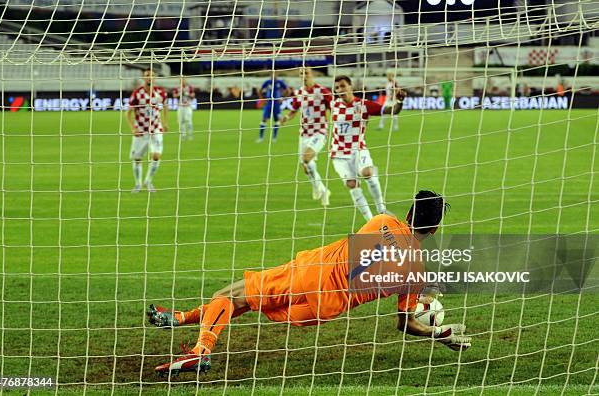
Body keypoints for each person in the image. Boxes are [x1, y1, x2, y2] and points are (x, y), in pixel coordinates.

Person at [147, 190, 471, 376]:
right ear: (435, 230)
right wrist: (437, 333)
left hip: (308, 275)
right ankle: (178, 318)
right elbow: (405, 323)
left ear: (409, 213)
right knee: (249, 301)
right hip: (325, 309)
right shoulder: (416, 271)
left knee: (228, 296)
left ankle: (200, 351)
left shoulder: (382, 221)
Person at [330, 75, 405, 221]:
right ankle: (371, 221)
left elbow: (393, 111)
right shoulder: (333, 104)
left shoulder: (363, 105)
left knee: (367, 172)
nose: (340, 89)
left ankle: (381, 208)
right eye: (337, 87)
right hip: (338, 153)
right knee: (352, 184)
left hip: (358, 148)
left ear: (350, 86)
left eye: (343, 86)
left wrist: (400, 101)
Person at [281, 67, 332, 206]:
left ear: (312, 74)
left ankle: (321, 189)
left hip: (320, 131)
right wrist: (286, 117)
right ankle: (320, 189)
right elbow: (293, 110)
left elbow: (333, 106)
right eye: (301, 73)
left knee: (306, 158)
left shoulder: (322, 91)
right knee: (306, 167)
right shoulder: (298, 93)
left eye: (307, 73)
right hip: (304, 133)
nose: (304, 76)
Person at [127, 69, 169, 193]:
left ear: (154, 78)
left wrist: (165, 122)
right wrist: (132, 128)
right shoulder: (137, 93)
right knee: (137, 158)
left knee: (156, 156)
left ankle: (148, 181)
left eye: (152, 75)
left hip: (156, 129)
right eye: (147, 75)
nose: (149, 77)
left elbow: (165, 106)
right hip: (141, 130)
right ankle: (138, 184)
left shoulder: (160, 92)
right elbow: (128, 113)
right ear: (143, 78)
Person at [256, 71, 288, 143]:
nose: (273, 75)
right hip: (269, 103)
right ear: (270, 75)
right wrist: (262, 99)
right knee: (264, 119)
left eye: (275, 74)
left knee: (277, 120)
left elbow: (287, 90)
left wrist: (283, 98)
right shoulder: (267, 82)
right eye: (272, 74)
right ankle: (261, 138)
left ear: (277, 75)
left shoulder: (280, 82)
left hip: (276, 103)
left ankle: (274, 138)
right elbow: (260, 90)